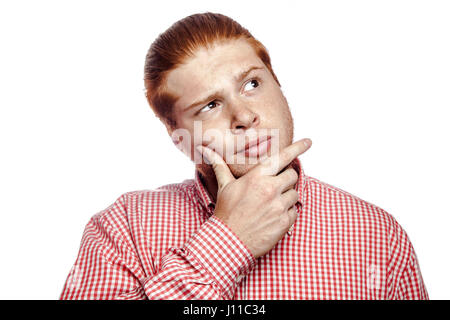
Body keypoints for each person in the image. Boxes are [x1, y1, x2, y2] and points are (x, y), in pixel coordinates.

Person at [60, 12, 428, 299]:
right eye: (210, 105)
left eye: (252, 84)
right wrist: (229, 240)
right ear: (178, 137)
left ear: (279, 84)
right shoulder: (123, 229)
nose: (244, 117)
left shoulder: (377, 234)